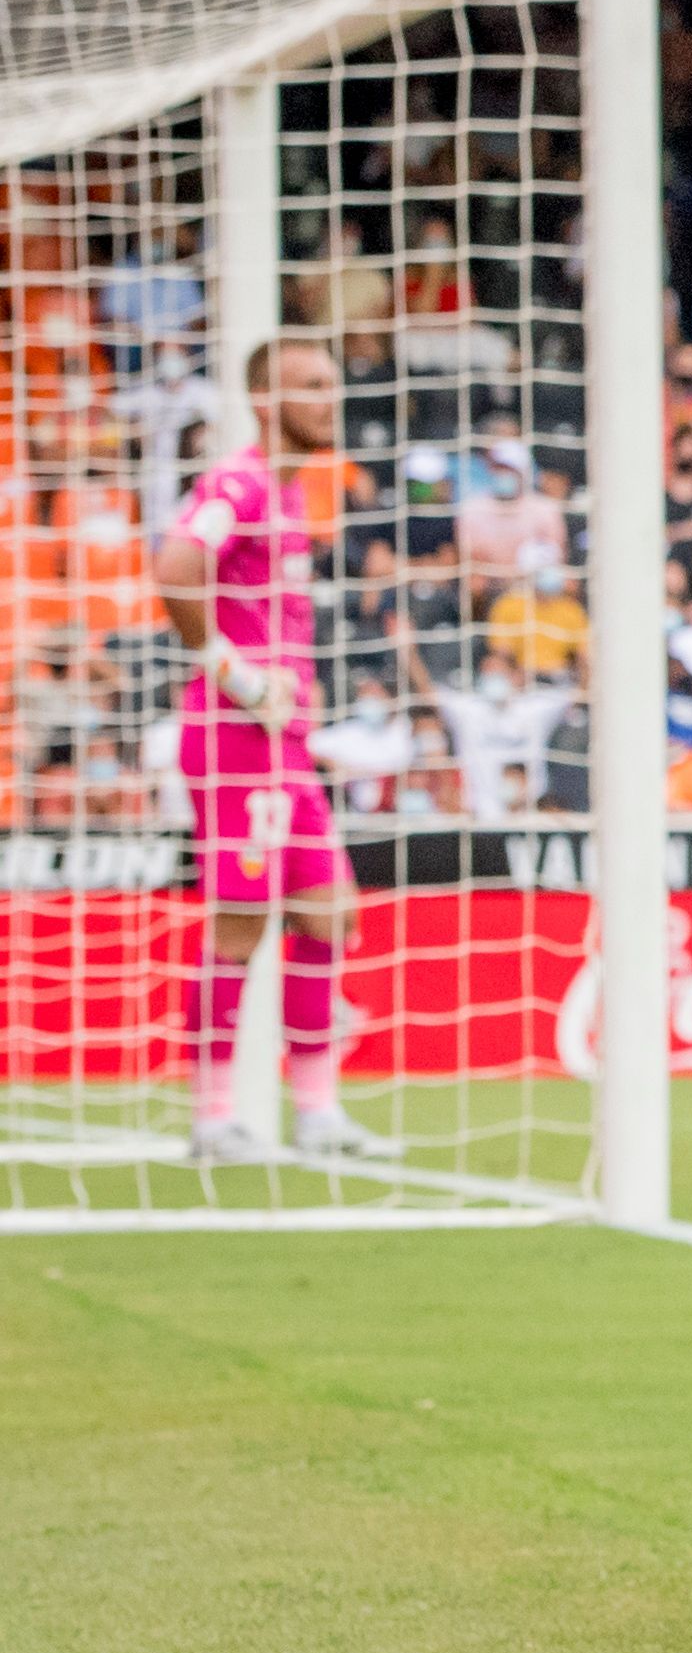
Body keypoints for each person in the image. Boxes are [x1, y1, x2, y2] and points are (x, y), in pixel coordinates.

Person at [158, 339, 388, 1167]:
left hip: (281, 745)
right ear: (266, 398)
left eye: (334, 382)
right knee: (241, 924)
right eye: (312, 386)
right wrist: (237, 675)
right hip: (233, 741)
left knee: (331, 911)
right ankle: (215, 1119)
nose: (333, 398)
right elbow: (177, 565)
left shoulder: (291, 495)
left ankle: (318, 1112)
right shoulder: (241, 481)